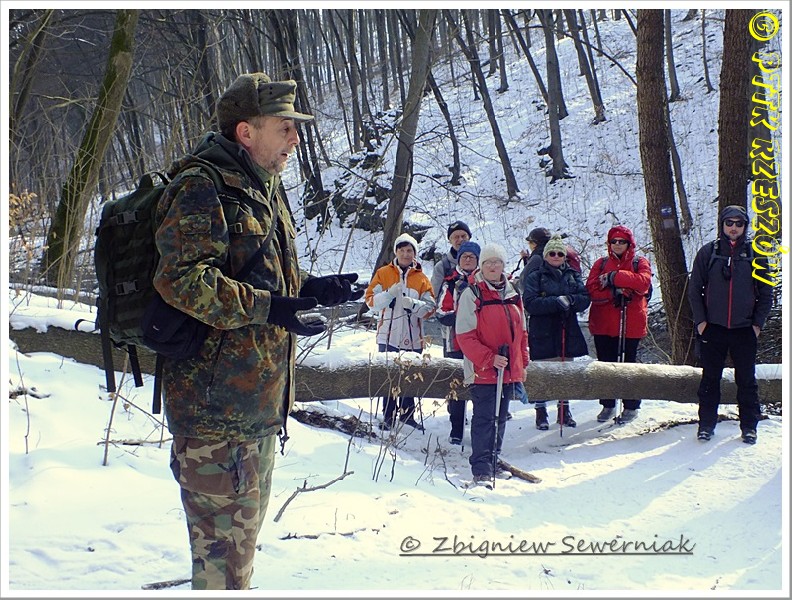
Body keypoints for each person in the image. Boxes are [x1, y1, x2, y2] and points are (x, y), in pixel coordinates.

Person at [152, 73, 361, 590]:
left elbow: (253, 276)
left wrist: (310, 289)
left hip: (256, 410)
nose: (296, 138)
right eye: (284, 126)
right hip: (216, 417)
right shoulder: (202, 186)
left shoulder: (262, 187)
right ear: (246, 132)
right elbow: (182, 282)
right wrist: (271, 308)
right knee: (222, 571)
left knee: (236, 565)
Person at [688, 205, 773, 444]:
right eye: (729, 223)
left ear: (745, 226)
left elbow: (766, 293)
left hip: (744, 329)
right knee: (709, 379)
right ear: (722, 224)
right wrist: (701, 322)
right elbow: (694, 290)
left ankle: (749, 426)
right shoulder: (708, 252)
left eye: (739, 223)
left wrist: (757, 324)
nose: (733, 228)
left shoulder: (755, 255)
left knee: (746, 380)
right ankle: (706, 424)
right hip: (713, 328)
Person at [456, 243, 529, 487]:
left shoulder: (512, 292)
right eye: (488, 262)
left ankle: (493, 458)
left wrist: (522, 362)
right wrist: (489, 359)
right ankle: (481, 468)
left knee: (500, 418)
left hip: (507, 368)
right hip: (483, 369)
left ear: (503, 265)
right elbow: (464, 336)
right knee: (485, 419)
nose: (492, 266)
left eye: (497, 262)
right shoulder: (472, 294)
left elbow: (522, 332)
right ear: (481, 266)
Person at [365, 232, 436, 431]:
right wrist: (389, 294)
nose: (405, 254)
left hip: (413, 338)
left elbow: (430, 309)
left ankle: (408, 416)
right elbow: (371, 302)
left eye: (409, 250)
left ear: (414, 253)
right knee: (388, 377)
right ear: (396, 252)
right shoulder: (383, 274)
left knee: (411, 377)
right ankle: (388, 416)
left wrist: (413, 304)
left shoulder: (422, 279)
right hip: (388, 336)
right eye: (402, 250)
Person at [522, 234, 590, 430]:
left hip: (566, 329)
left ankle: (564, 410)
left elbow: (585, 298)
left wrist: (571, 300)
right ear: (545, 255)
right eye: (552, 253)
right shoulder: (535, 276)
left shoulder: (572, 275)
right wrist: (556, 302)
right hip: (542, 331)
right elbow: (530, 303)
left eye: (560, 253)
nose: (556, 256)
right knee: (542, 372)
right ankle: (540, 411)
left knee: (565, 371)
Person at [585, 225, 652, 424]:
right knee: (605, 365)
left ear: (629, 244)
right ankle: (608, 403)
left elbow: (643, 283)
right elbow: (592, 289)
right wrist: (614, 291)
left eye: (622, 241)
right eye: (613, 241)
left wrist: (614, 277)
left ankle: (631, 405)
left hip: (630, 324)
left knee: (628, 365)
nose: (617, 245)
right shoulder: (601, 263)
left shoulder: (640, 262)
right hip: (603, 324)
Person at [435, 240, 481, 444]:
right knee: (456, 386)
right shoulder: (451, 282)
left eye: (472, 257)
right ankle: (456, 430)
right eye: (464, 256)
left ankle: (480, 430)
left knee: (481, 387)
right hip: (455, 343)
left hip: (481, 344)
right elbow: (441, 312)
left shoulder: (485, 281)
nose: (468, 260)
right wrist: (463, 318)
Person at [516, 227, 581, 294]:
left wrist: (515, 283)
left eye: (529, 242)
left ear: (535, 244)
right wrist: (526, 260)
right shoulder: (559, 253)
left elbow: (524, 286)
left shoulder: (537, 258)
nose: (529, 245)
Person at [431, 220, 473, 298]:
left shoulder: (481, 263)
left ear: (469, 237)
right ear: (450, 241)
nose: (460, 239)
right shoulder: (442, 267)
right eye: (456, 237)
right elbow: (434, 296)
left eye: (463, 236)